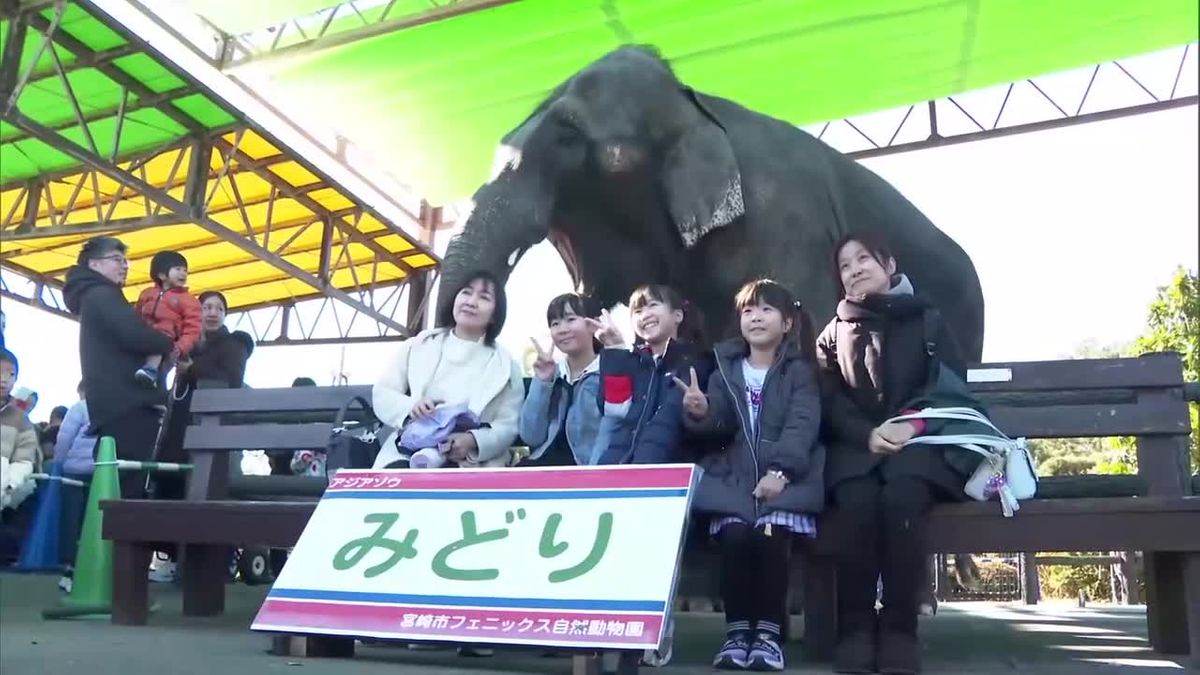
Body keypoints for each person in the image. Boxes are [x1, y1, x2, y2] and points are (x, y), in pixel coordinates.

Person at [817, 234, 980, 675]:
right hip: (857, 452)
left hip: (919, 448)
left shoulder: (928, 320)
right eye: (845, 265)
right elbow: (829, 399)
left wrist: (913, 424)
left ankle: (899, 629)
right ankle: (854, 628)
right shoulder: (832, 334)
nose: (854, 269)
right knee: (856, 503)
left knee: (903, 499)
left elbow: (949, 384)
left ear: (888, 264)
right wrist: (866, 434)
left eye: (863, 258)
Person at [681, 280, 823, 672]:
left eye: (765, 310)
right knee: (736, 537)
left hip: (788, 482)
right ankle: (736, 634)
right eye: (747, 310)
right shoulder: (725, 367)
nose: (755, 317)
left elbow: (802, 424)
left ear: (788, 322)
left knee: (770, 538)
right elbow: (719, 426)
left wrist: (781, 472)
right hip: (734, 481)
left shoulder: (800, 371)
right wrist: (700, 412)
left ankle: (768, 636)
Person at [372, 270, 524, 472]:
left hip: (473, 462)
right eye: (466, 292)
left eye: (484, 297)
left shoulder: (505, 365)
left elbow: (508, 424)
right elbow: (383, 392)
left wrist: (473, 440)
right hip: (410, 452)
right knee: (396, 483)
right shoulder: (418, 345)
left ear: (495, 315)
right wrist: (412, 407)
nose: (471, 301)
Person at [63, 237, 173, 499]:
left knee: (111, 479)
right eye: (117, 259)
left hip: (112, 404)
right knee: (126, 488)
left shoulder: (92, 296)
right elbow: (134, 335)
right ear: (95, 264)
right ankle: (119, 540)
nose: (124, 266)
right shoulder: (102, 294)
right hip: (128, 403)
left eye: (126, 261)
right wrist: (166, 341)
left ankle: (106, 538)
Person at [595, 284, 712, 466]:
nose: (645, 315)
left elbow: (673, 422)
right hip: (617, 466)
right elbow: (614, 410)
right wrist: (614, 349)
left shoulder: (696, 361)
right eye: (638, 311)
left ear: (678, 315)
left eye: (653, 305)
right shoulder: (633, 361)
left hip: (664, 472)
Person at [519, 293, 614, 466]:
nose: (562, 329)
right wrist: (542, 383)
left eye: (570, 319)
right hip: (544, 468)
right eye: (555, 323)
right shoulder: (553, 374)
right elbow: (531, 435)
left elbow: (611, 434)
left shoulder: (609, 373)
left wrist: (594, 475)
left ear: (593, 324)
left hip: (587, 474)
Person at [133, 251, 202, 388]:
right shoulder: (147, 294)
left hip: (167, 341)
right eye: (178, 269)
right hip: (144, 337)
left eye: (185, 270)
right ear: (162, 275)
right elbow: (137, 314)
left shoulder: (189, 301)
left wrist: (180, 347)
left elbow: (193, 328)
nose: (183, 273)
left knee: (160, 348)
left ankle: (151, 372)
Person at [54, 381, 96, 593]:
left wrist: (59, 463)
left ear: (82, 391)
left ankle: (70, 569)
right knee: (93, 522)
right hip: (101, 472)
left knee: (71, 521)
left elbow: (64, 438)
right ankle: (93, 568)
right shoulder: (112, 407)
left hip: (74, 471)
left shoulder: (79, 408)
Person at [1, 349, 40, 511]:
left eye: (11, 375)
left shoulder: (21, 419)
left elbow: (25, 459)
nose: (4, 380)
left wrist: (10, 485)